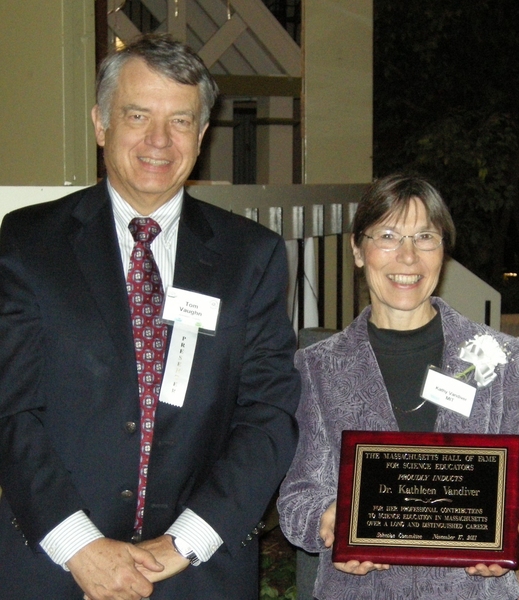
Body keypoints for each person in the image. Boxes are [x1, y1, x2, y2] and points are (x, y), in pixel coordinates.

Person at [0, 33, 300, 599]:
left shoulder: (251, 256)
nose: (159, 140)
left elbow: (268, 414)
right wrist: (78, 545)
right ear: (100, 124)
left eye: (181, 121)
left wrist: (184, 541)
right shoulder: (28, 244)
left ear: (202, 135)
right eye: (137, 115)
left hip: (198, 572)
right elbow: (11, 409)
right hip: (52, 565)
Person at [277, 174, 519, 599]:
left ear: (443, 251)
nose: (407, 257)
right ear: (357, 250)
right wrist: (326, 521)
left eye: (425, 237)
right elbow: (296, 496)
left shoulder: (501, 356)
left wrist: (514, 520)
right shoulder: (317, 366)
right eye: (388, 236)